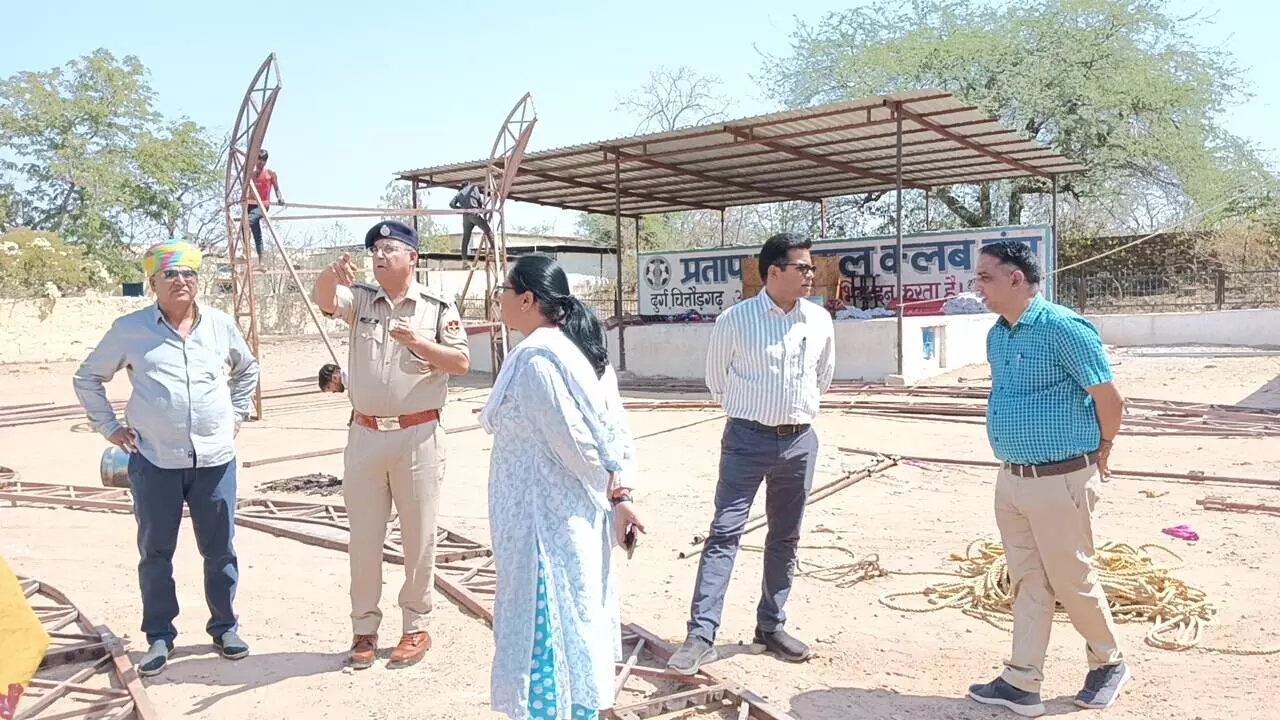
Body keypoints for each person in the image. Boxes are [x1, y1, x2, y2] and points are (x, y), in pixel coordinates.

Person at [72, 239, 259, 677]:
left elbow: (247, 369)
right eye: (169, 274)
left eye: (188, 273)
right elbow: (87, 377)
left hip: (214, 460)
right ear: (152, 282)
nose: (180, 281)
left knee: (220, 550)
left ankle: (225, 628)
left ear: (199, 280)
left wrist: (237, 414)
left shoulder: (220, 325)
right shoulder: (130, 330)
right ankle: (159, 635)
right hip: (155, 461)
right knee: (155, 552)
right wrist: (109, 428)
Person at [966, 240, 1128, 717]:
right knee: (1028, 580)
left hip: (1061, 479)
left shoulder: (1063, 328)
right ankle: (1022, 680)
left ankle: (1109, 662)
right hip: (1013, 478)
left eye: (985, 278)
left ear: (1016, 278)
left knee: (1071, 577)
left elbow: (1109, 399)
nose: (977, 287)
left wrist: (1104, 448)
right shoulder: (998, 335)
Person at [479, 253, 644, 720]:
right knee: (571, 625)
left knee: (550, 631)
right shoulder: (566, 350)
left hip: (546, 529)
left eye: (504, 291)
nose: (498, 300)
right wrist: (617, 493)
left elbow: (578, 444)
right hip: (555, 518)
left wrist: (612, 489)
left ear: (527, 299)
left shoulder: (538, 362)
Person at [667, 233, 835, 675]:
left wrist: (789, 413)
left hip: (799, 442)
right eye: (802, 267)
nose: (810, 274)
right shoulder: (735, 320)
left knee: (785, 537)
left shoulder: (819, 321)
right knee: (724, 533)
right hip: (746, 440)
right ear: (774, 272)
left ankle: (770, 626)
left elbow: (823, 377)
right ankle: (701, 635)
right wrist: (756, 414)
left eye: (811, 267)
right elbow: (716, 379)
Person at [312, 220, 471, 670]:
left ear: (412, 257)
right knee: (364, 538)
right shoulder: (362, 299)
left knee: (418, 537)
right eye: (375, 250)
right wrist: (329, 275)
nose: (380, 256)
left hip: (417, 436)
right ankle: (364, 629)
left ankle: (415, 626)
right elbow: (326, 300)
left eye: (389, 248)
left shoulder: (436, 307)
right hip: (365, 435)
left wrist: (418, 342)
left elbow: (461, 362)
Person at [246, 149, 284, 260]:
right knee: (253, 229)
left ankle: (251, 254)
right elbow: (246, 190)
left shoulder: (270, 174)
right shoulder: (251, 175)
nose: (261, 162)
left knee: (248, 221)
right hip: (250, 205)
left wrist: (280, 197)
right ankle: (254, 257)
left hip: (262, 205)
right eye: (259, 159)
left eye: (263, 160)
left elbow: (277, 189)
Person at [449, 180, 492, 258]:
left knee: (466, 239)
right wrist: (480, 209)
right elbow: (479, 200)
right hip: (474, 213)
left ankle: (464, 260)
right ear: (469, 184)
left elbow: (451, 204)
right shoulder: (473, 187)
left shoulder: (459, 193)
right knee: (488, 230)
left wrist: (461, 209)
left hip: (465, 217)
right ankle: (495, 249)